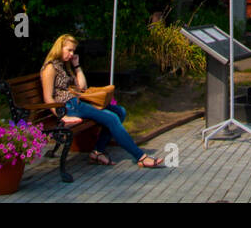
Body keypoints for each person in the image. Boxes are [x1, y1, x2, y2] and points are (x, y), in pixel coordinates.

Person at [41, 34, 163, 168]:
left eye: (73, 51)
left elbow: (82, 87)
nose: (71, 54)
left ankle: (97, 151)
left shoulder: (65, 65)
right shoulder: (50, 68)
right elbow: (48, 98)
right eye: (69, 50)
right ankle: (141, 157)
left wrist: (76, 66)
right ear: (59, 48)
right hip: (68, 106)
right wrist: (63, 116)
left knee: (120, 111)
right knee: (111, 118)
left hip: (77, 102)